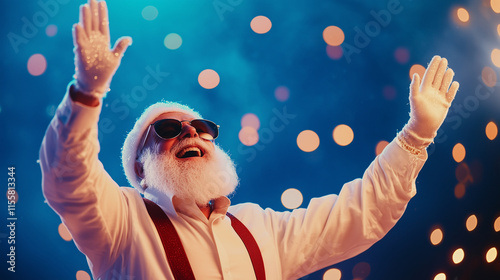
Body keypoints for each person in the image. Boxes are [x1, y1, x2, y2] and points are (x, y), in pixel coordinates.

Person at [39, 0, 460, 279]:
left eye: (202, 128)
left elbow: (362, 211)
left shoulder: (261, 227)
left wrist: (416, 134)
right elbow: (69, 177)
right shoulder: (122, 221)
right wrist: (86, 93)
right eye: (167, 129)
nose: (191, 131)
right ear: (139, 172)